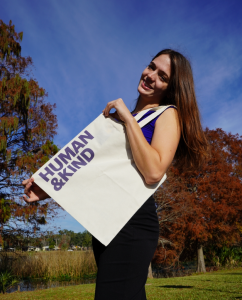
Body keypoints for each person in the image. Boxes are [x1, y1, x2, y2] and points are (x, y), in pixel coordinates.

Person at [22, 49, 209, 300]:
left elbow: (154, 172)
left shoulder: (168, 114)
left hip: (132, 224)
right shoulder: (127, 120)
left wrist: (128, 121)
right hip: (108, 222)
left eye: (162, 76)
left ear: (171, 88)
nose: (151, 75)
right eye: (151, 66)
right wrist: (47, 187)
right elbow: (95, 172)